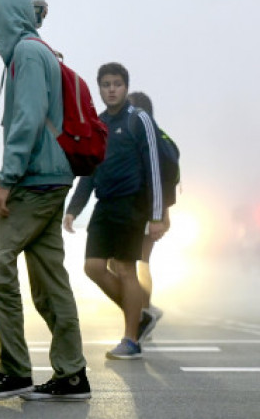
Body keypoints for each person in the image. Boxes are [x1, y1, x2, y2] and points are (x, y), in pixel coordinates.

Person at [0, 0, 91, 402]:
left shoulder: (27, 54)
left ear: (6, 17)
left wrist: (6, 180)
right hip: (52, 178)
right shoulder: (36, 51)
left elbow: (28, 118)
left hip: (35, 179)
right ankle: (72, 374)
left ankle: (16, 370)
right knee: (49, 281)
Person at [64, 63, 166, 360]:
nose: (111, 89)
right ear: (99, 88)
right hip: (104, 204)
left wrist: (157, 215)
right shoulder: (98, 123)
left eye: (117, 84)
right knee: (93, 267)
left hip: (131, 204)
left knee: (124, 269)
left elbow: (154, 169)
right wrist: (73, 208)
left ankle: (131, 339)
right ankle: (139, 315)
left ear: (125, 86)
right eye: (106, 84)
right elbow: (89, 170)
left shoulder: (139, 120)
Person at [124, 90, 170, 340]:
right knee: (137, 264)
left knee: (136, 263)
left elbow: (160, 180)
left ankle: (143, 314)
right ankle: (143, 311)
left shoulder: (150, 141)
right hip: (143, 211)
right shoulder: (152, 138)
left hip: (145, 212)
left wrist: (161, 215)